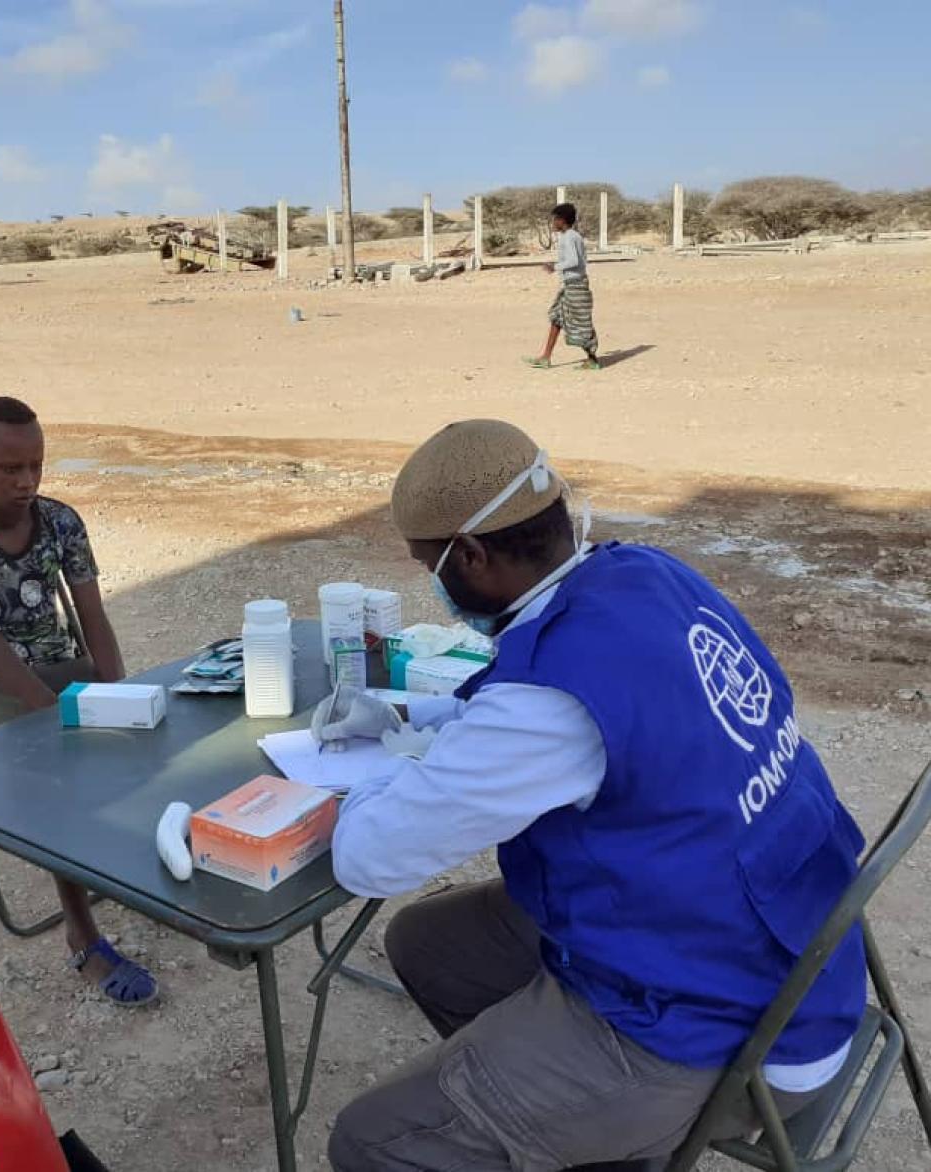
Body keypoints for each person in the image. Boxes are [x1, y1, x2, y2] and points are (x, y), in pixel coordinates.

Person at [320, 419, 866, 1172]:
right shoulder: (643, 573)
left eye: (430, 566)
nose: (435, 586)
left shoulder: (549, 705)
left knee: (372, 1141)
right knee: (429, 944)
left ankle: (601, 1125)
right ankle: (568, 1133)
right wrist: (414, 720)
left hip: (721, 1024)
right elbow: (545, 716)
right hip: (777, 939)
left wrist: (371, 762)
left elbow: (367, 858)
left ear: (472, 555)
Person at [0, 396, 158, 1006]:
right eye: (9, 469)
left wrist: (117, 692)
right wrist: (61, 714)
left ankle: (138, 869)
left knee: (155, 731)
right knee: (59, 773)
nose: (26, 482)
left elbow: (93, 614)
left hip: (59, 666)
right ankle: (82, 936)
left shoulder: (61, 521)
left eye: (36, 466)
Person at [526, 201, 600, 370]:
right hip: (569, 285)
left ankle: (593, 359)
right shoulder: (569, 237)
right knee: (557, 318)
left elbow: (574, 261)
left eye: (555, 220)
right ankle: (546, 357)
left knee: (581, 323)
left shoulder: (570, 237)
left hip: (576, 286)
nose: (553, 223)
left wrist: (555, 267)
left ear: (562, 220)